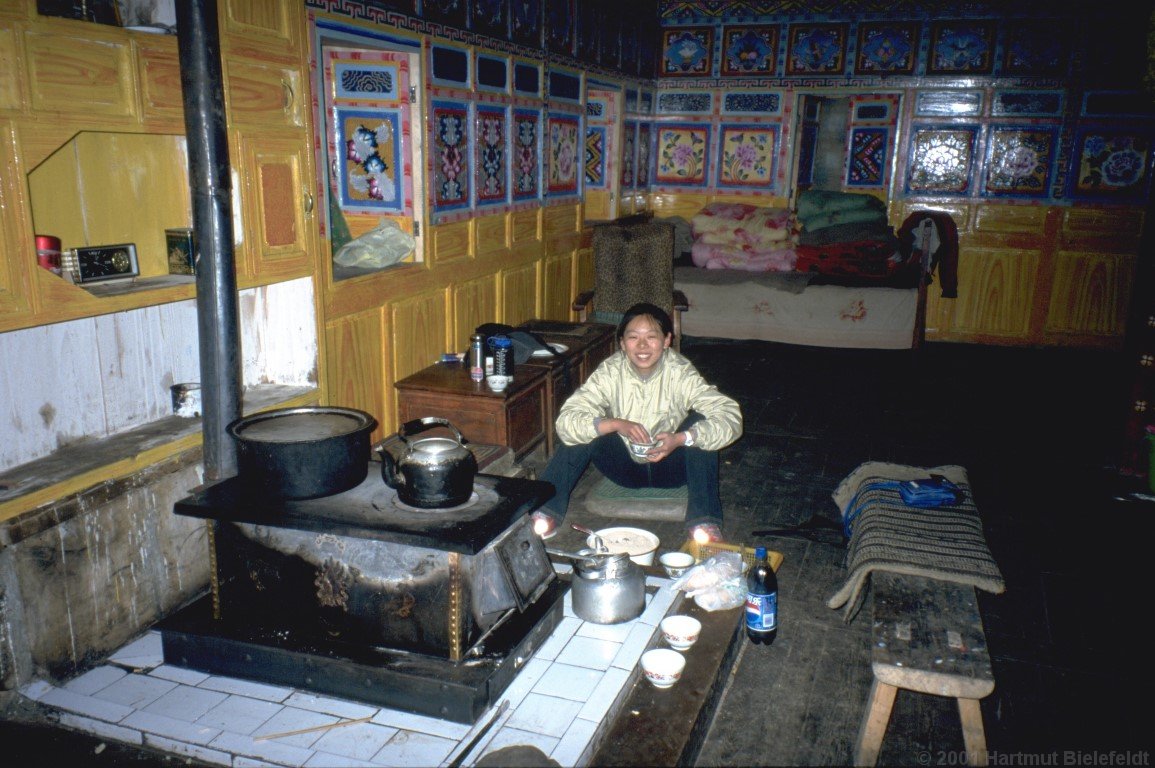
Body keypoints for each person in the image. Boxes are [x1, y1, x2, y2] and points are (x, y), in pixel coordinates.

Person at [531, 302, 743, 543]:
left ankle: (705, 521)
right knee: (583, 427)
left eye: (651, 337)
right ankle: (546, 512)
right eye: (633, 337)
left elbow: (729, 415)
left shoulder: (680, 372)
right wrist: (614, 424)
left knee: (700, 423)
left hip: (671, 467)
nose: (642, 346)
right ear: (622, 343)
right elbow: (567, 421)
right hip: (624, 469)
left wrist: (682, 438)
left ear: (666, 340)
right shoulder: (610, 372)